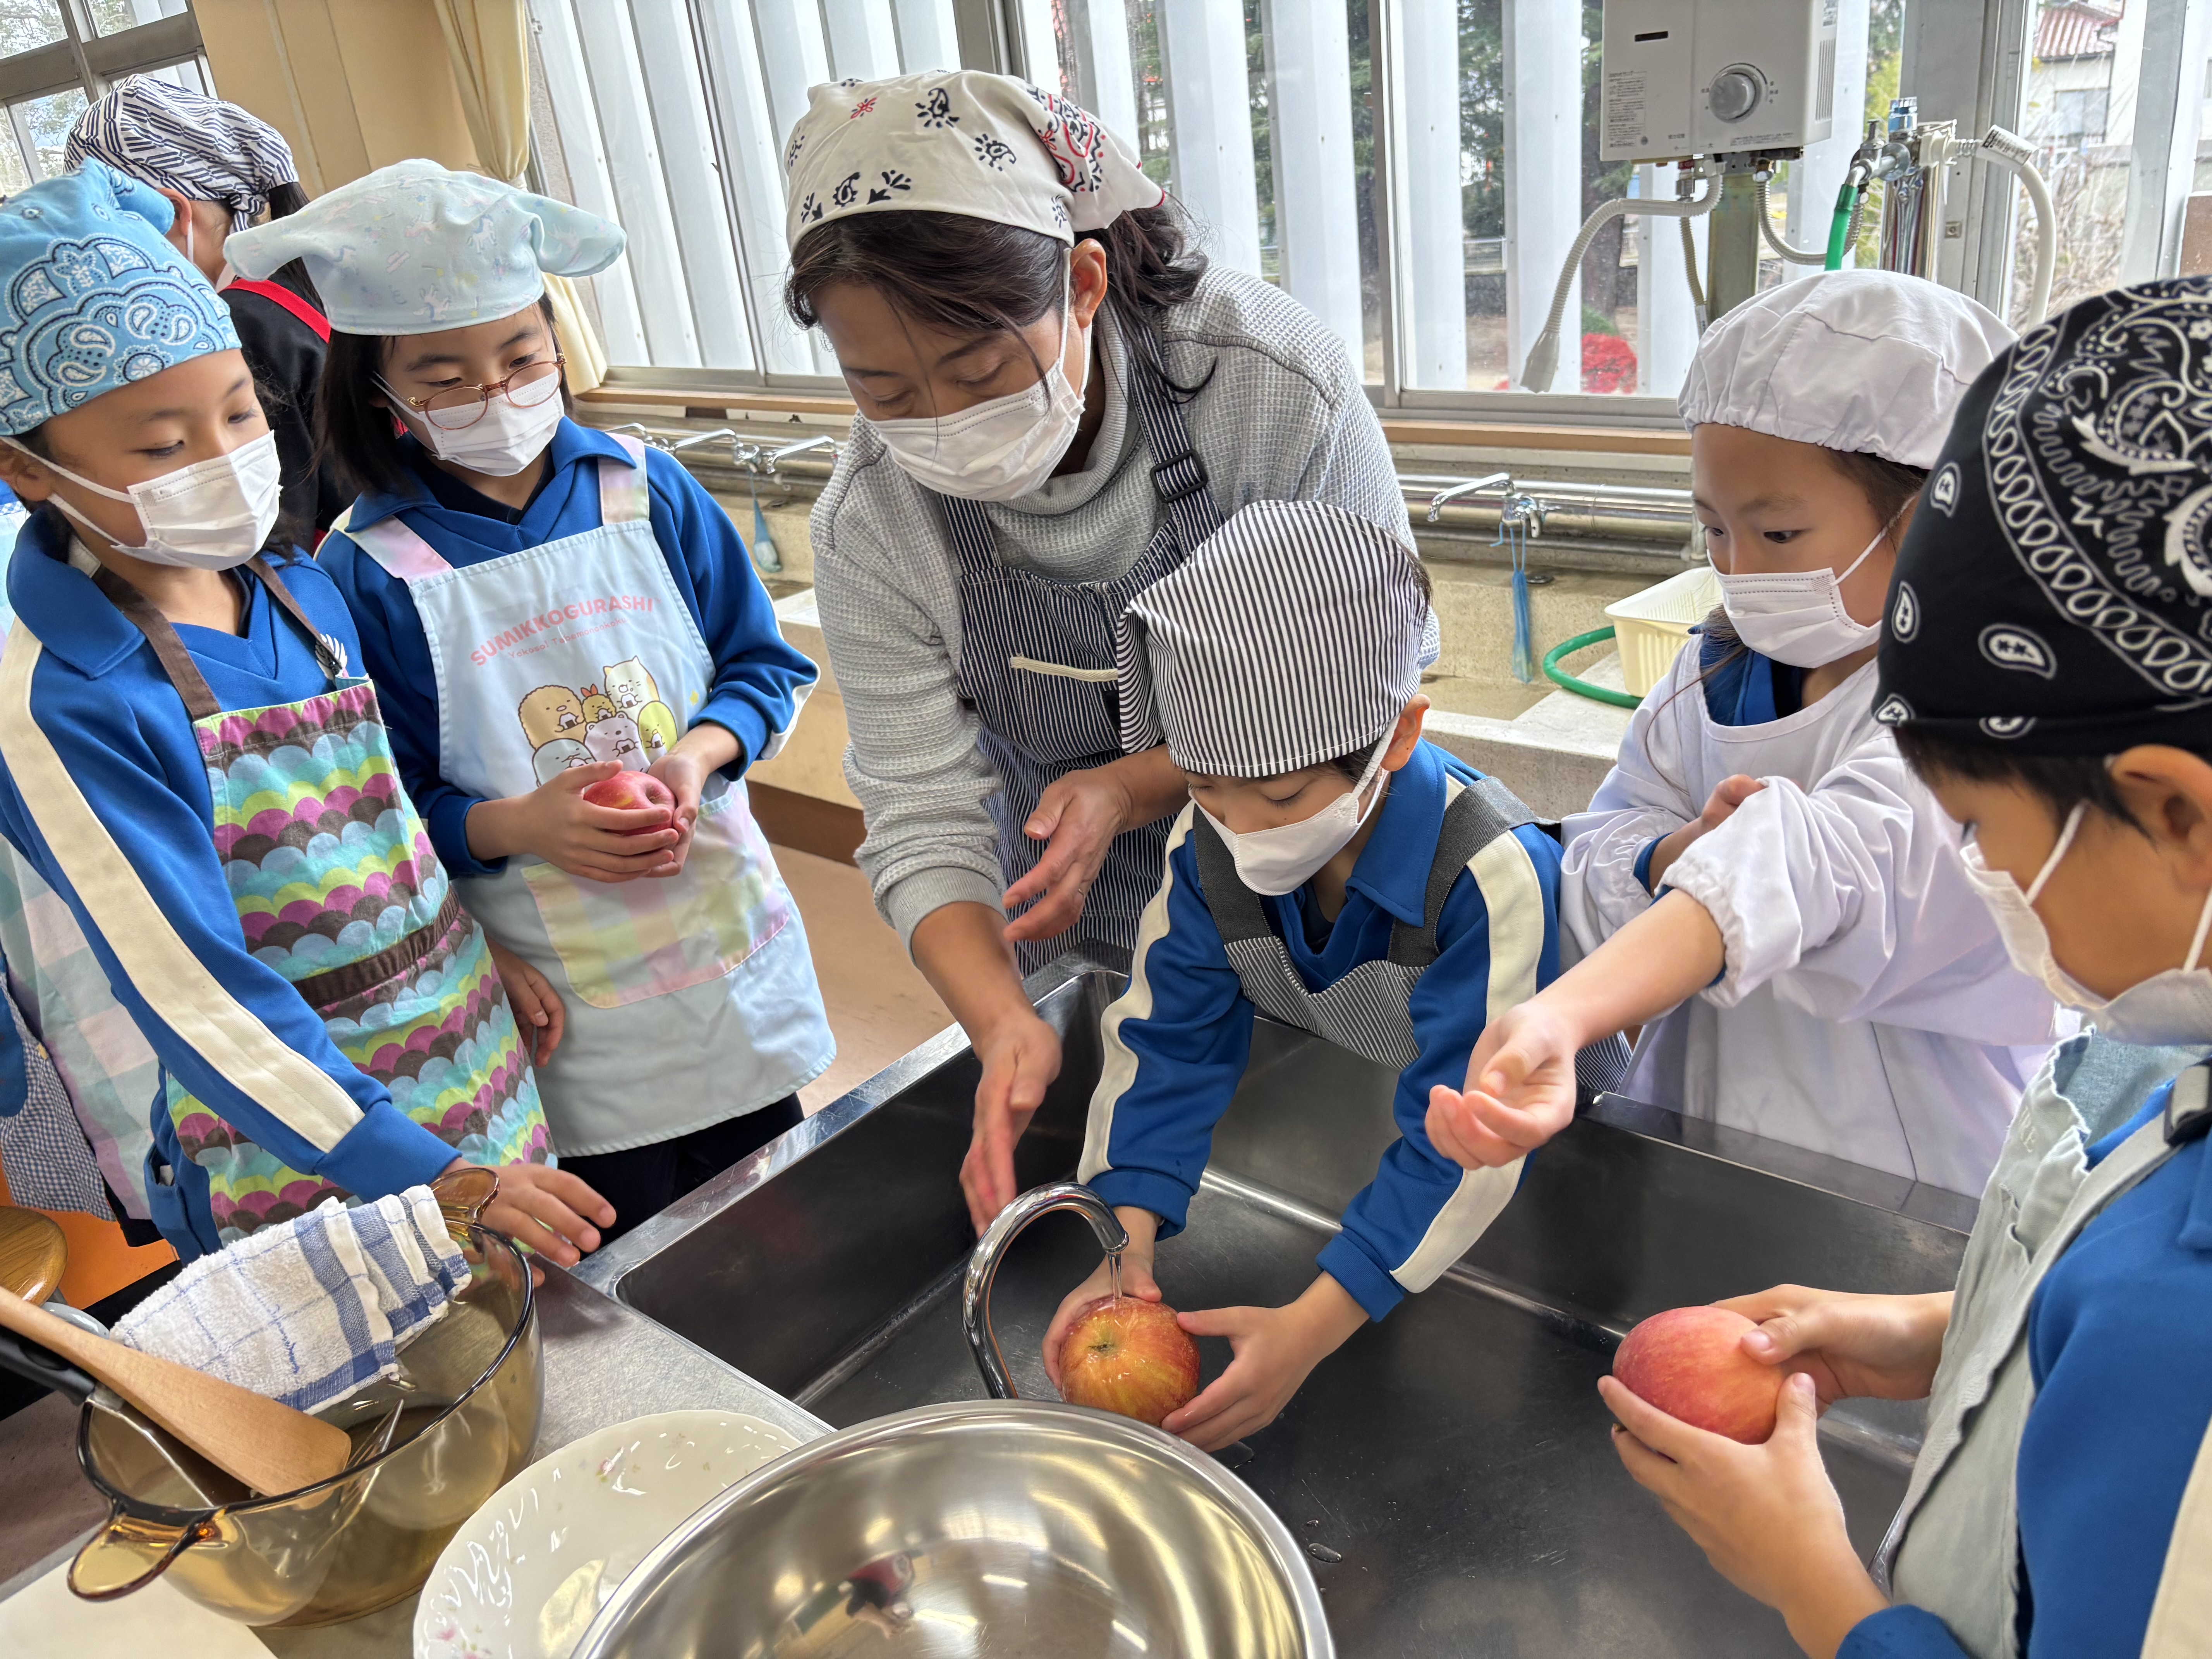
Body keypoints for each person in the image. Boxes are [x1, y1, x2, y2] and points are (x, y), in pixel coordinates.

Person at [1591, 278, 2212, 1659]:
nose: (1975, 872)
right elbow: (2081, 1283)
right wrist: (1935, 1329)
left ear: (2174, 816)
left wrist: (1816, 1586)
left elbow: (1830, 862)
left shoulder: (2182, 1322)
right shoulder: (2161, 1055)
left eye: (1977, 831)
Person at [783, 71, 1420, 1232]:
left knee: (1318, 1176)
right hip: (1064, 914)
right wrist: (1003, 1022)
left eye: (978, 371)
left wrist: (1127, 786)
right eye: (881, 387)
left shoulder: (1271, 388)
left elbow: (1363, 692)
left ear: (1081, 284)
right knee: (1139, 1151)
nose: (940, 422)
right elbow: (919, 812)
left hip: (1300, 869)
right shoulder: (873, 519)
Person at [0, 161, 605, 1261]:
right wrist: (427, 1173)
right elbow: (192, 995)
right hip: (301, 1144)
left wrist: (467, 949)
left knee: (531, 1318)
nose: (228, 460)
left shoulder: (301, 590)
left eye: (240, 412)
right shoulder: (66, 701)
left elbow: (387, 830)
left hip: (465, 1050)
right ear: (27, 470)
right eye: (164, 446)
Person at [230, 162, 834, 1242]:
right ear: (380, 393)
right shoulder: (367, 569)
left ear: (556, 343)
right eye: (445, 378)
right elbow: (381, 816)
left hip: (727, 943)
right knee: (631, 1240)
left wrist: (695, 757)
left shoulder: (647, 490)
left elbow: (764, 668)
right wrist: (520, 823)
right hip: (561, 995)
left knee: (783, 1210)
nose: (495, 393)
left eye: (519, 357)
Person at [1428, 272, 2060, 1198]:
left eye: (1779, 534)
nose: (1739, 570)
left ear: (1937, 519)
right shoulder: (1716, 670)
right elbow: (1599, 853)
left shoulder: (1981, 701)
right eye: (1714, 529)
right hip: (1704, 1130)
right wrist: (1664, 856)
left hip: (1911, 1175)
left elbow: (1827, 863)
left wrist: (1566, 1015)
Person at [1042, 501, 1618, 1449]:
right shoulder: (1205, 850)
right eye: (1204, 788)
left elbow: (1471, 1133)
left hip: (1560, 1165)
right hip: (1412, 1128)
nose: (1242, 832)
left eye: (1280, 797)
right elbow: (1167, 1042)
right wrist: (1124, 1239)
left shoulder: (1488, 876)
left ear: (1399, 736)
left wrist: (1314, 1325)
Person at [67, 75, 348, 534]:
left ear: (174, 213)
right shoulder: (304, 278)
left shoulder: (232, 326)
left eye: (110, 232)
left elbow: (278, 521)